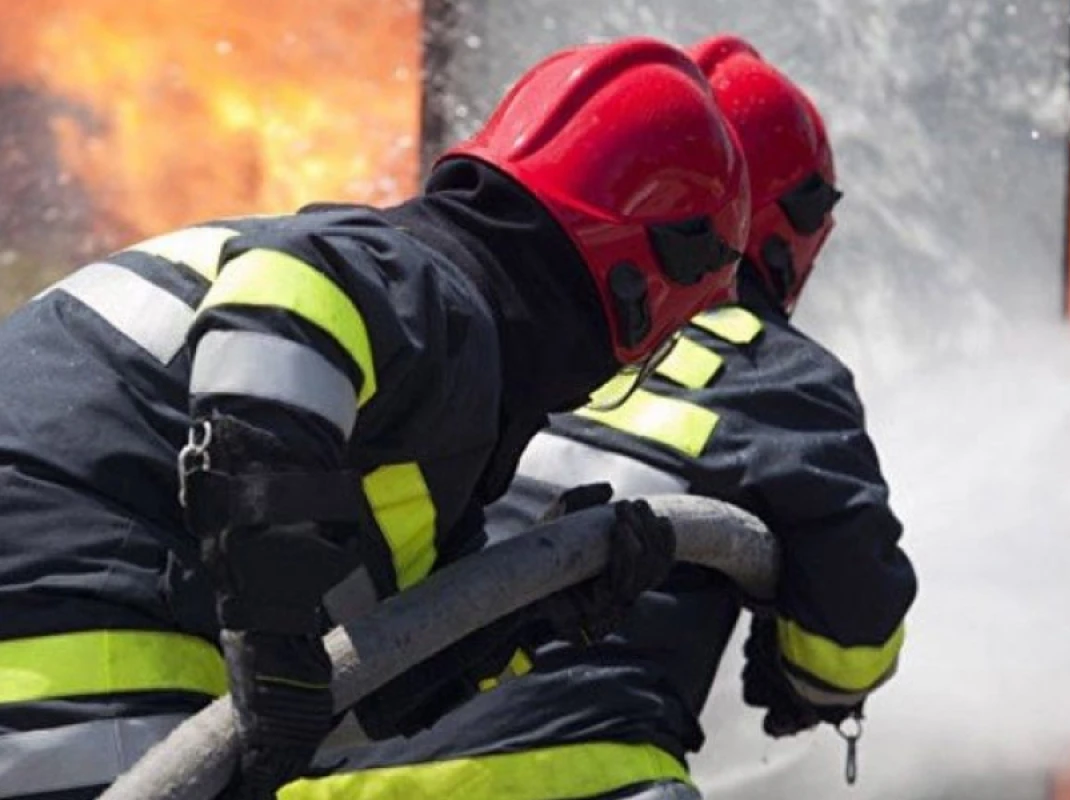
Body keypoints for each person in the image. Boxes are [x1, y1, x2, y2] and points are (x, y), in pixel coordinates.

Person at [0, 37, 752, 800]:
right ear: (645, 285)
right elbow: (281, 307)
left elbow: (347, 696)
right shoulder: (425, 289)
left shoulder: (414, 399)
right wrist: (273, 632)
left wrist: (533, 614)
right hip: (70, 619)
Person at [278, 34, 917, 800]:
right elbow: (847, 648)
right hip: (574, 778)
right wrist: (800, 672)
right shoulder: (776, 374)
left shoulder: (470, 327)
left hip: (322, 776)